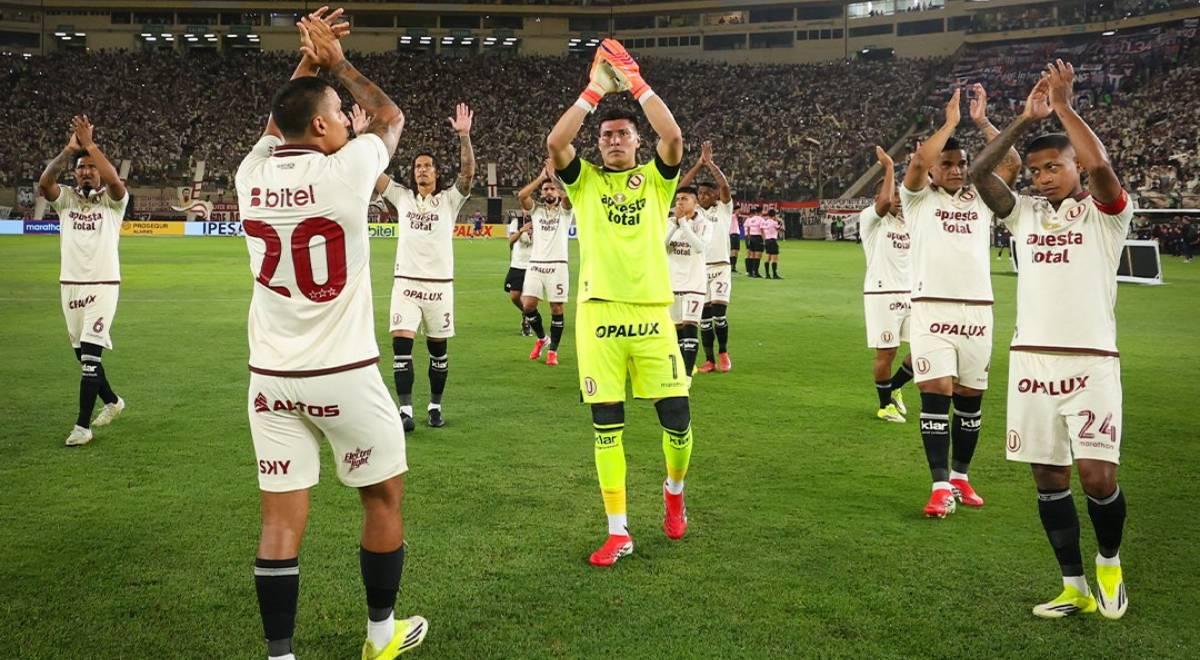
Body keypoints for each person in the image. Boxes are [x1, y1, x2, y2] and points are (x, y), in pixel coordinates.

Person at [235, 9, 426, 660]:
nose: (351, 119)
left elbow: (278, 123)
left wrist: (308, 66)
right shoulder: (349, 169)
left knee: (279, 520)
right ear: (321, 126)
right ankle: (380, 635)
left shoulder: (250, 176)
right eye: (341, 113)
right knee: (383, 496)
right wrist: (337, 64)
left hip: (269, 380)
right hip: (343, 374)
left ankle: (280, 656)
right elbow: (392, 116)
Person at [969, 61, 1132, 620]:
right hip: (1032, 363)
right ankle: (1073, 584)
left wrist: (1063, 107)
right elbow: (981, 176)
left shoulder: (1105, 215)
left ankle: (1109, 563)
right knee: (1048, 476)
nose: (1042, 177)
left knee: (1097, 476)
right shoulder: (1026, 215)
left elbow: (1101, 166)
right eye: (1035, 170)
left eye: (1053, 166)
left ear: (1074, 167)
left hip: (1092, 363)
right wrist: (1022, 121)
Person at [547, 40, 693, 566]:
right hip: (599, 313)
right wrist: (593, 92)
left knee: (677, 421)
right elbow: (556, 142)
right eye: (606, 135)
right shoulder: (583, 182)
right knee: (606, 425)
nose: (613, 140)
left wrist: (636, 84)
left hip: (652, 312)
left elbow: (673, 138)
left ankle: (674, 491)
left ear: (636, 141)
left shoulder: (655, 180)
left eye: (623, 134)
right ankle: (618, 531)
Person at [899, 84, 1021, 518]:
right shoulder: (916, 199)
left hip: (978, 311)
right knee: (936, 392)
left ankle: (961, 478)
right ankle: (938, 487)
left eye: (962, 163)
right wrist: (949, 123)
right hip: (931, 308)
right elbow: (917, 163)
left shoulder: (982, 197)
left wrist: (982, 122)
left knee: (970, 399)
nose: (956, 170)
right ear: (933, 169)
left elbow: (1011, 162)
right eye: (947, 164)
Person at [375, 103, 476, 431]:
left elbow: (468, 175)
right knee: (401, 346)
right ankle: (405, 411)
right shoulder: (402, 197)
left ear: (436, 173)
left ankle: (434, 406)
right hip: (405, 284)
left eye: (428, 166)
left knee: (438, 352)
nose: (422, 170)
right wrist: (364, 136)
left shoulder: (449, 200)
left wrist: (464, 137)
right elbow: (374, 174)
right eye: (418, 166)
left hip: (439, 287)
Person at [39, 114, 128, 447]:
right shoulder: (66, 199)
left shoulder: (114, 202)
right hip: (70, 285)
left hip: (103, 285)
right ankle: (113, 402)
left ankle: (82, 426)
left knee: (91, 358)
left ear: (99, 171)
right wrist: (68, 151)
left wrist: (90, 145)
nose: (87, 171)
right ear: (74, 173)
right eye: (82, 168)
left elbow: (115, 181)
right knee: (83, 356)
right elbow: (44, 184)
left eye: (92, 167)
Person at [860, 146, 914, 423]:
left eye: (901, 196)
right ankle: (885, 406)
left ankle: (894, 387)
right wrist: (890, 167)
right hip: (882, 294)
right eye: (894, 196)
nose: (898, 201)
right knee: (888, 352)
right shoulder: (870, 220)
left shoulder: (910, 224)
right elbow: (882, 205)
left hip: (912, 294)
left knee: (924, 348)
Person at [680, 140, 734, 373]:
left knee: (719, 315)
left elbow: (725, 186)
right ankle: (709, 360)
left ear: (714, 195)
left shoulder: (723, 209)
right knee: (703, 319)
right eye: (699, 193)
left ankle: (723, 353)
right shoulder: (695, 213)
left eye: (706, 193)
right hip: (700, 270)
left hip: (720, 267)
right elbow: (682, 188)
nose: (702, 196)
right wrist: (697, 164)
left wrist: (710, 164)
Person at [518, 158, 574, 366]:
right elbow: (522, 196)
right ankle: (542, 338)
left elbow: (569, 197)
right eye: (546, 189)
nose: (549, 192)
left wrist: (555, 179)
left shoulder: (565, 211)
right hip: (536, 264)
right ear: (541, 193)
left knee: (556, 308)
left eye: (552, 189)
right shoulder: (536, 210)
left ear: (557, 192)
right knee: (528, 305)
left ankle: (553, 351)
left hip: (558, 265)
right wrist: (542, 177)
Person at [665, 187, 710, 377]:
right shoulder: (669, 223)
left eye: (684, 199)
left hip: (694, 284)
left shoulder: (705, 224)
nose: (680, 202)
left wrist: (683, 223)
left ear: (695, 203)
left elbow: (699, 246)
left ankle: (687, 377)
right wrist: (675, 224)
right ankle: (679, 372)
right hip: (672, 284)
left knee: (690, 328)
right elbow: (660, 247)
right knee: (677, 332)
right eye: (677, 199)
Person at [505, 210, 533, 335]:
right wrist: (521, 230)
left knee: (529, 297)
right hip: (517, 265)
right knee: (515, 296)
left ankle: (527, 322)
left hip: (533, 264)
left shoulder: (539, 221)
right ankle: (528, 313)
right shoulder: (516, 222)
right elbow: (511, 241)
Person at [762, 208, 784, 279]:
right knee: (775, 258)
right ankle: (774, 274)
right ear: (774, 215)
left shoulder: (765, 222)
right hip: (773, 240)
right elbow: (781, 229)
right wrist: (780, 221)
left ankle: (767, 274)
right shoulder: (774, 223)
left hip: (767, 240)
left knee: (768, 257)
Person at [743, 207, 765, 277]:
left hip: (751, 237)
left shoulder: (751, 219)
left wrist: (749, 238)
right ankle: (755, 272)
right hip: (758, 237)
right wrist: (764, 240)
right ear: (761, 212)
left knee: (751, 255)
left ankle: (750, 272)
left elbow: (748, 229)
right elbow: (762, 230)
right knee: (758, 255)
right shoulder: (761, 219)